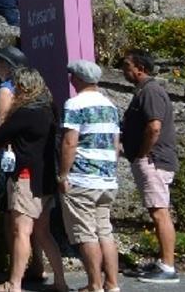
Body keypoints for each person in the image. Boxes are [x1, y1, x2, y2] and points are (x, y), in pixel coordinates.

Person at [0, 68, 66, 292]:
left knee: (21, 231)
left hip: (26, 177)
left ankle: (14, 284)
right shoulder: (50, 109)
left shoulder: (26, 112)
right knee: (43, 232)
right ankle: (60, 281)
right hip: (47, 178)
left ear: (23, 87)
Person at [120, 50, 181, 284]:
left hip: (154, 160)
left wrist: (143, 155)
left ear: (140, 69)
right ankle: (164, 263)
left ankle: (167, 267)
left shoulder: (151, 91)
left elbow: (154, 127)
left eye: (127, 65)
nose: (124, 70)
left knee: (159, 212)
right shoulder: (145, 91)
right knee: (157, 210)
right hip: (152, 159)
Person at [58, 60, 120, 292]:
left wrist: (63, 174)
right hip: (107, 178)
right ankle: (112, 284)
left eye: (72, 75)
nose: (71, 79)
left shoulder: (75, 104)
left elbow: (69, 141)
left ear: (79, 79)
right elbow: (116, 143)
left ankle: (95, 285)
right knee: (105, 230)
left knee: (85, 233)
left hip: (83, 177)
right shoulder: (110, 105)